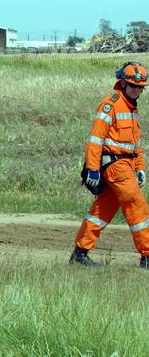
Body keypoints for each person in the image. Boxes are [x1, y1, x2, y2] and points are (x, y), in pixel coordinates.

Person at [72, 61, 149, 268]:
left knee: (103, 209)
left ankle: (80, 253)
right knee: (137, 206)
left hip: (127, 165)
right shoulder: (111, 104)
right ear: (123, 83)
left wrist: (140, 167)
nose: (136, 90)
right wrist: (92, 170)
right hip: (115, 166)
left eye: (140, 87)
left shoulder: (132, 107)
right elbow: (96, 140)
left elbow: (135, 143)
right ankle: (147, 255)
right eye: (133, 85)